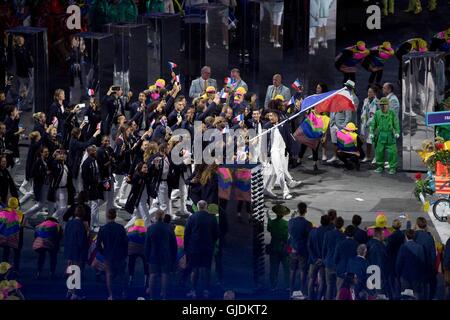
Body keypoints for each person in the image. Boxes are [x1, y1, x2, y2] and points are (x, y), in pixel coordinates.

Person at [184, 200, 219, 299]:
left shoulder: (192, 218)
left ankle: (193, 290)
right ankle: (206, 290)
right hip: (207, 247)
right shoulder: (212, 218)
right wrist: (212, 243)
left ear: (198, 207)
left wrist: (187, 247)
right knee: (206, 270)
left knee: (194, 269)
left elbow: (187, 234)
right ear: (206, 207)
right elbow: (216, 233)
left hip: (194, 248)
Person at [264, 110, 301, 200]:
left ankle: (267, 189)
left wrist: (296, 110)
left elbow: (289, 136)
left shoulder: (283, 124)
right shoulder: (267, 126)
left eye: (271, 115)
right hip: (274, 152)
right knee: (280, 171)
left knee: (276, 172)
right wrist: (266, 155)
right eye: (269, 116)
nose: (270, 118)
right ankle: (285, 192)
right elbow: (265, 142)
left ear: (276, 116)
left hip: (283, 151)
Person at [145, 209, 177, 300]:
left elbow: (147, 245)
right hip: (166, 254)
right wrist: (173, 257)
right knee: (165, 275)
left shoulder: (150, 228)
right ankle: (164, 296)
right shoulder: (169, 228)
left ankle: (151, 297)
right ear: (163, 217)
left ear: (155, 217)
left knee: (152, 275)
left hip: (153, 254)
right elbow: (173, 244)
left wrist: (146, 257)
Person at [96, 209, 128, 300]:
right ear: (115, 216)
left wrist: (103, 252)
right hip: (120, 255)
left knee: (109, 275)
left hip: (108, 255)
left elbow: (98, 244)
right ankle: (124, 292)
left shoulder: (103, 229)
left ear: (107, 216)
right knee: (122, 275)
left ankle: (111, 295)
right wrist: (125, 253)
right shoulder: (121, 228)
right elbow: (125, 242)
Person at [288, 202, 313, 298]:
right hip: (303, 250)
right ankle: (302, 291)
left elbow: (290, 231)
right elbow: (310, 236)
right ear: (305, 211)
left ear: (297, 210)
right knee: (303, 271)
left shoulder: (291, 222)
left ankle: (290, 291)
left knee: (292, 271)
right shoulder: (307, 224)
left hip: (293, 249)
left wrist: (292, 216)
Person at [64, 205, 89, 300]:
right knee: (76, 271)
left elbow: (66, 235)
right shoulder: (81, 225)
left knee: (71, 271)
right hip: (78, 251)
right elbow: (82, 241)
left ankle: (70, 290)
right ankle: (74, 294)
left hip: (69, 249)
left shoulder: (69, 223)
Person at [370, 97, 400, 174]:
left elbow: (396, 123)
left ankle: (392, 167)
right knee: (379, 151)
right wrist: (371, 132)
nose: (383, 106)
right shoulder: (377, 113)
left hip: (390, 135)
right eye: (381, 105)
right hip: (381, 135)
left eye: (384, 104)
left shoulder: (392, 113)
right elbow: (373, 124)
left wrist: (397, 132)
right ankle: (380, 166)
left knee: (392, 152)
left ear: (388, 105)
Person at [396, 229, 426, 299]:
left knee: (405, 296)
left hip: (405, 276)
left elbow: (399, 263)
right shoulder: (420, 247)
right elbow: (422, 263)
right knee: (416, 295)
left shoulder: (403, 247)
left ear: (406, 237)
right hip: (416, 276)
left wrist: (398, 275)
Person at [307, 214, 331, 300]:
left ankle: (310, 297)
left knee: (311, 280)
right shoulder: (329, 234)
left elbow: (309, 246)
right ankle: (318, 297)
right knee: (322, 282)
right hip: (324, 261)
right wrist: (323, 259)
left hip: (314, 261)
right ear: (328, 223)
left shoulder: (313, 231)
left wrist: (314, 258)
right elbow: (329, 249)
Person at [48, 149, 75, 223]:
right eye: (60, 154)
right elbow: (50, 165)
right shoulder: (56, 164)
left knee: (64, 208)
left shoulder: (67, 165)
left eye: (64, 154)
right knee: (62, 208)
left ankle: (59, 224)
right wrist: (53, 156)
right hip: (58, 189)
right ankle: (51, 220)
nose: (62, 155)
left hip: (65, 189)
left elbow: (69, 179)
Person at [24, 147, 51, 219]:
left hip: (45, 184)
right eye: (45, 152)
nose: (47, 153)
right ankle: (25, 215)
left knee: (42, 203)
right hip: (40, 185)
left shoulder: (46, 160)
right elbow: (33, 174)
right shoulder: (38, 162)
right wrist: (45, 173)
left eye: (47, 151)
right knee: (40, 204)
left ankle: (26, 215)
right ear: (41, 153)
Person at [267, 204, 289, 291]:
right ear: (284, 214)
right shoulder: (286, 224)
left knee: (273, 268)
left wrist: (268, 217)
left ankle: (273, 285)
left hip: (274, 246)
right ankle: (287, 285)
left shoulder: (272, 223)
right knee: (287, 267)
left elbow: (269, 228)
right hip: (285, 247)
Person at [322, 216, 344, 299]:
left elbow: (324, 249)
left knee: (329, 286)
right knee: (338, 287)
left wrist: (324, 259)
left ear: (334, 224)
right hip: (338, 264)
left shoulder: (327, 234)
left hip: (328, 262)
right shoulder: (343, 236)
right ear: (342, 225)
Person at [81, 145, 103, 229]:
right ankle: (92, 224)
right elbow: (84, 176)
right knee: (93, 205)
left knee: (94, 205)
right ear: (89, 152)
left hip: (95, 186)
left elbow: (97, 172)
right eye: (93, 151)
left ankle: (93, 223)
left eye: (95, 150)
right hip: (90, 187)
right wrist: (88, 187)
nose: (95, 152)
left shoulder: (95, 160)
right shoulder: (86, 163)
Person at [414, 217, 437, 300]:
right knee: (428, 286)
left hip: (416, 265)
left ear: (417, 225)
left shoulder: (414, 236)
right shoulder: (429, 237)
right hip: (427, 265)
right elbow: (433, 254)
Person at [124, 162, 152, 228]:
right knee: (146, 217)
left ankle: (125, 228)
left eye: (146, 167)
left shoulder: (145, 175)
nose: (146, 168)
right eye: (144, 167)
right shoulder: (138, 176)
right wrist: (129, 180)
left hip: (143, 200)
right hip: (140, 201)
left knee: (137, 217)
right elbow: (133, 180)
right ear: (140, 168)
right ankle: (148, 231)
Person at [0, 197, 24, 272]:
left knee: (5, 252)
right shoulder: (21, 214)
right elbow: (22, 227)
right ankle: (15, 270)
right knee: (17, 253)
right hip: (14, 238)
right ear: (17, 205)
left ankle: (3, 270)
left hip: (3, 237)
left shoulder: (1, 213)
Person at [334, 225, 358, 296]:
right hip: (352, 273)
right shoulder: (357, 245)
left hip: (341, 272)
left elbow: (335, 258)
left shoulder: (340, 244)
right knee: (352, 294)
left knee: (339, 292)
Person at [367, 228, 389, 298]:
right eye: (383, 234)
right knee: (380, 295)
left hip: (369, 273)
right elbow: (381, 262)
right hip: (378, 275)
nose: (384, 236)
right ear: (379, 235)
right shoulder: (380, 246)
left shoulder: (368, 243)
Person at [96, 135, 116, 214]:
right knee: (104, 198)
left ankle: (109, 218)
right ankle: (93, 207)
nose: (107, 142)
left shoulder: (110, 149)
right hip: (104, 178)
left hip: (110, 176)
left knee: (111, 198)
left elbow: (115, 157)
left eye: (108, 141)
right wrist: (110, 161)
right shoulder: (100, 151)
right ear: (102, 141)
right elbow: (101, 166)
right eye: (105, 141)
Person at [127, 218, 148, 289]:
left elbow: (127, 239)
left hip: (132, 251)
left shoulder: (130, 230)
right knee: (146, 264)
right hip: (143, 250)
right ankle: (146, 280)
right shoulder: (146, 231)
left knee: (131, 263)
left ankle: (130, 278)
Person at [360, 86, 379, 162]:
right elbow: (363, 112)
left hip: (374, 125)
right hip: (366, 124)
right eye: (368, 92)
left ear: (374, 93)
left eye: (370, 92)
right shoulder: (365, 100)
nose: (369, 93)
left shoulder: (377, 102)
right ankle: (368, 156)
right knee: (368, 141)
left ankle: (376, 157)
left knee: (374, 142)